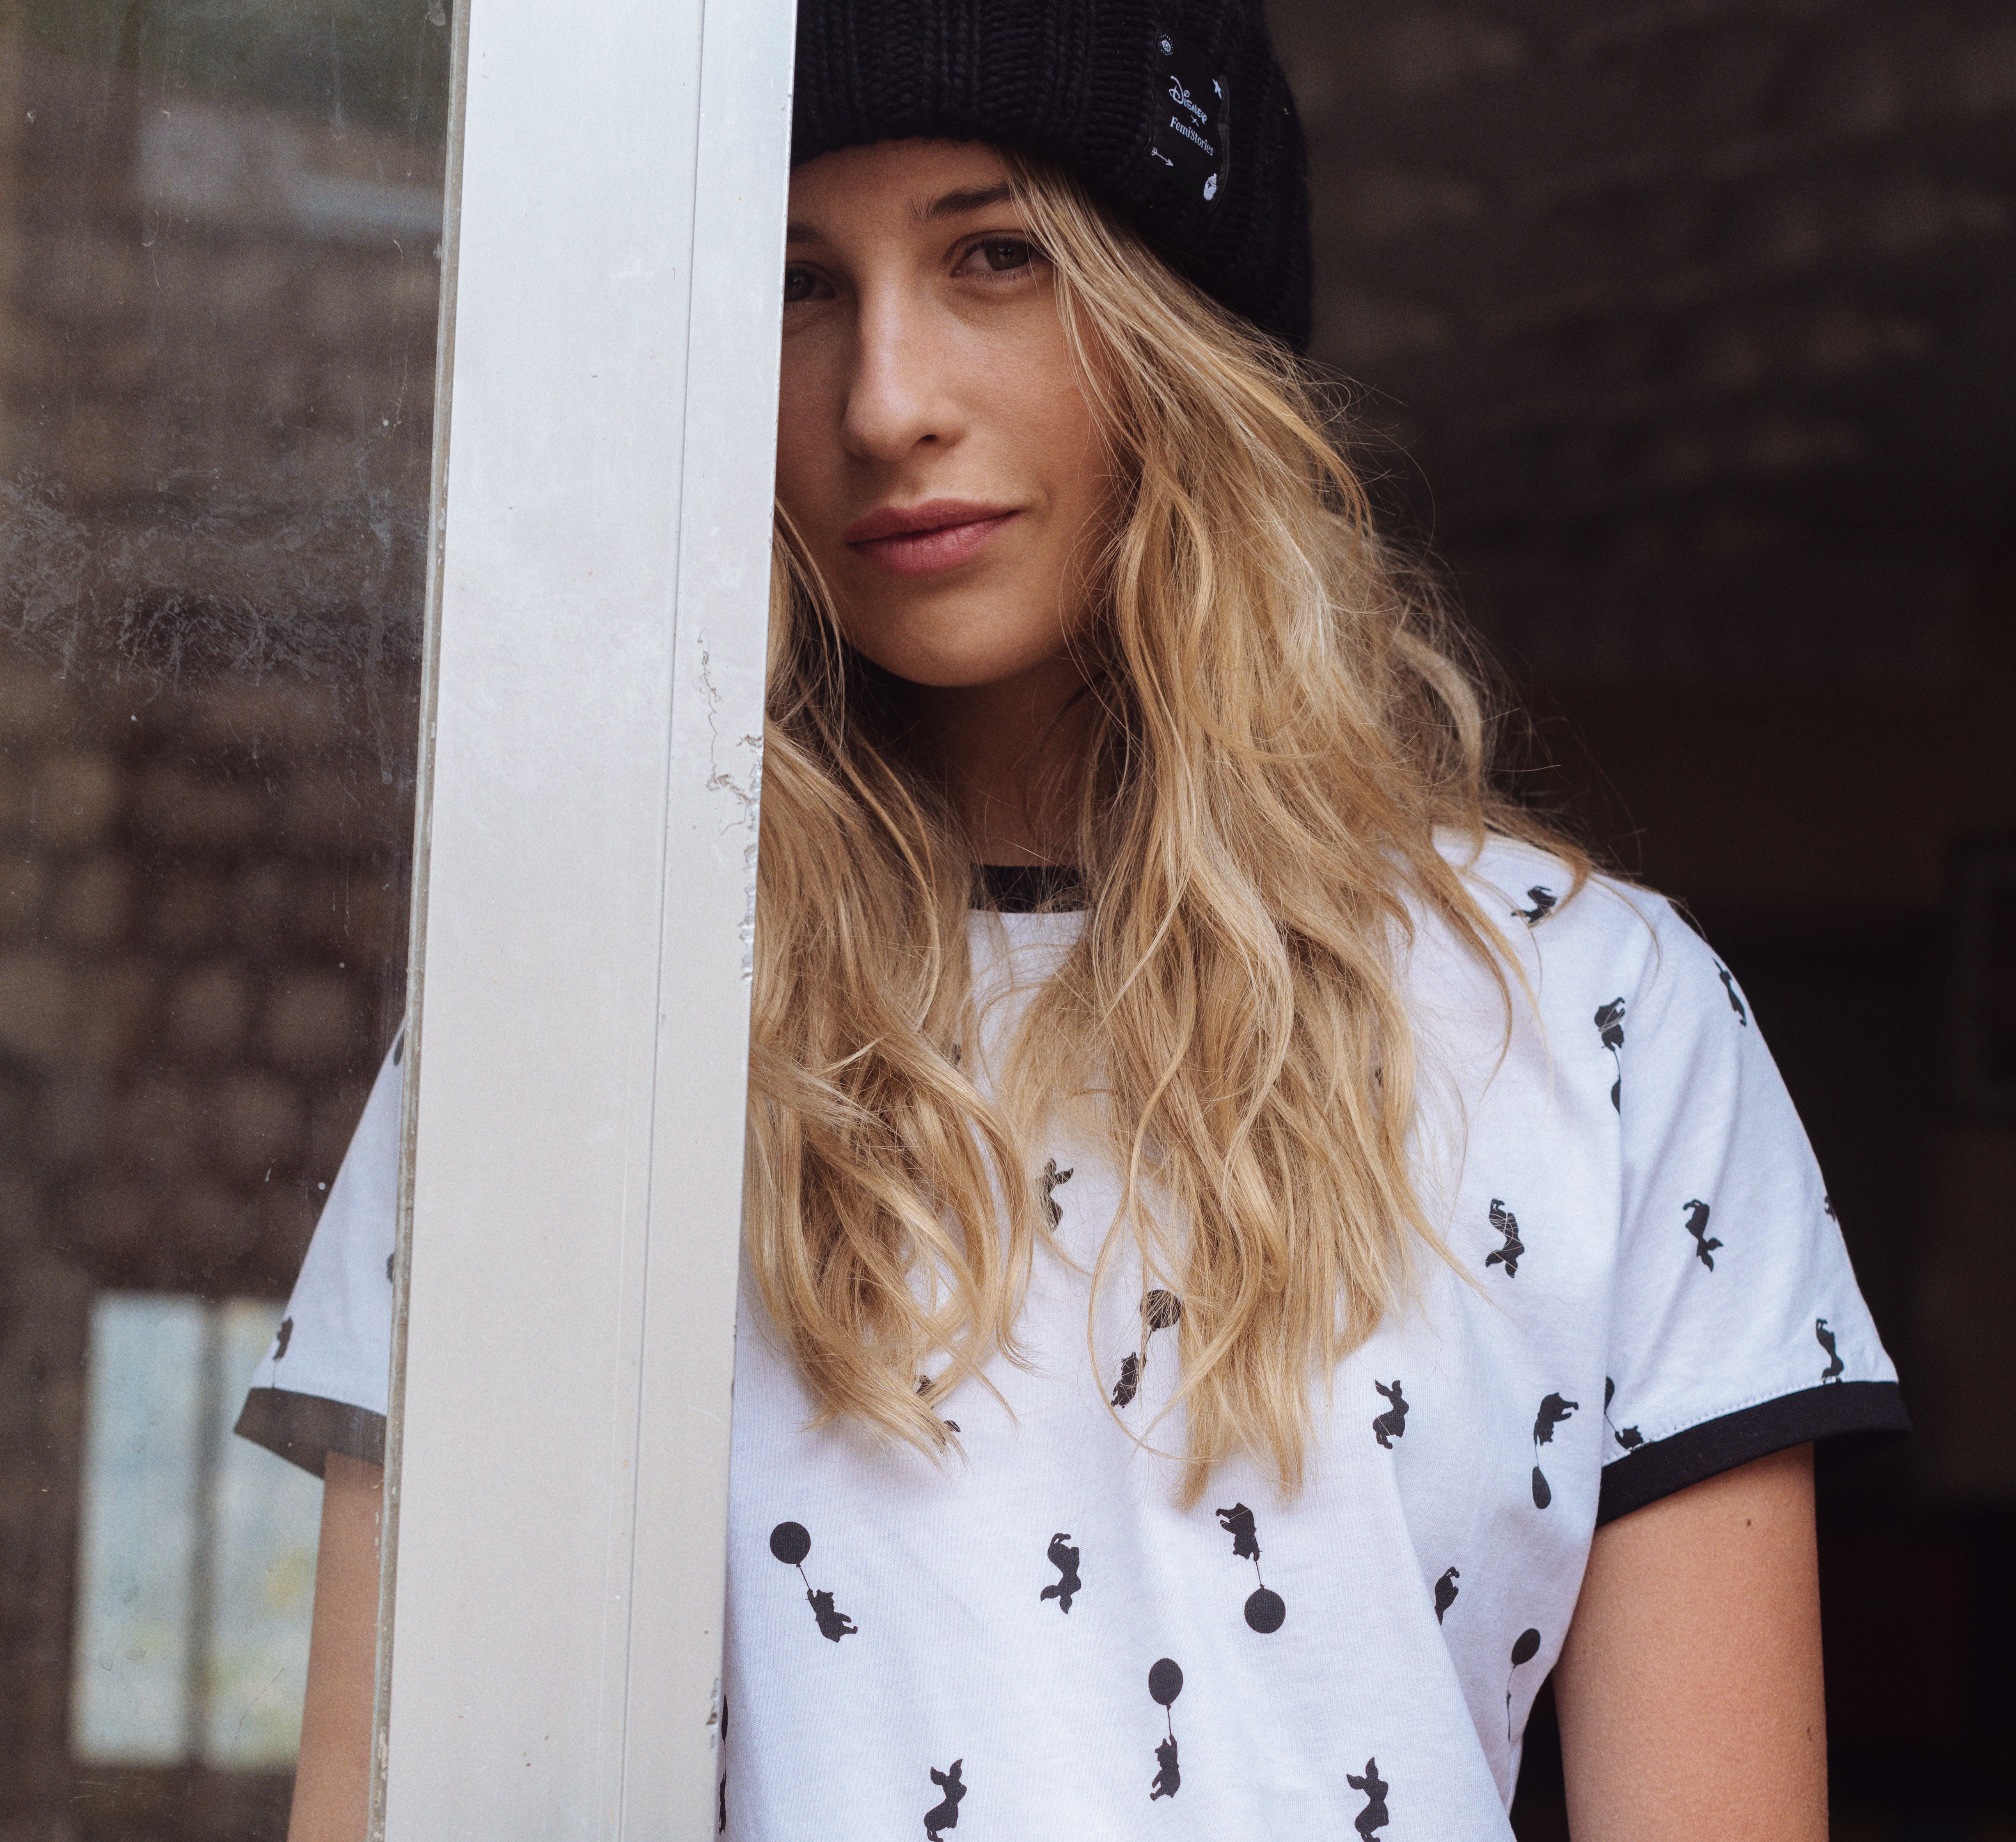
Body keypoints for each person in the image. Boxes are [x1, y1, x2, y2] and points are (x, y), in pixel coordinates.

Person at [238, 2, 1909, 1836]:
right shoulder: (570, 1032)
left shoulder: (1594, 1018)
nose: (885, 400)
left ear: (1185, 336)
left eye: (996, 257)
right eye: (798, 286)